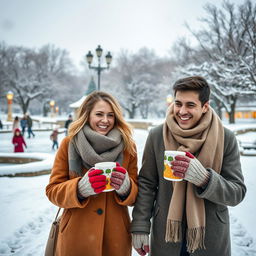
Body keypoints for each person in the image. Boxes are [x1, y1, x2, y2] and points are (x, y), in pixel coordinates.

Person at [131, 76, 246, 256]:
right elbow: (146, 184)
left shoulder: (225, 138)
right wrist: (140, 226)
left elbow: (237, 192)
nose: (182, 111)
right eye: (178, 103)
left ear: (205, 106)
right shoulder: (156, 136)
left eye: (190, 105)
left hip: (210, 236)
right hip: (166, 235)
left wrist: (205, 179)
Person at [46, 91, 138, 256]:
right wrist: (79, 189)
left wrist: (126, 188)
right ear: (87, 115)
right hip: (75, 235)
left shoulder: (128, 147)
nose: (105, 120)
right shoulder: (69, 143)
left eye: (110, 115)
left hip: (115, 237)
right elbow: (52, 191)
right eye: (99, 114)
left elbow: (137, 194)